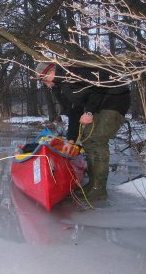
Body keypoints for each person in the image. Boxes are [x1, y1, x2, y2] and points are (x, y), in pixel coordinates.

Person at [35, 62, 131, 200]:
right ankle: (92, 184)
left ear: (51, 71)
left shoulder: (72, 73)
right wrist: (71, 140)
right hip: (97, 106)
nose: (45, 84)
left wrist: (89, 112)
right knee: (86, 138)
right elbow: (74, 112)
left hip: (114, 99)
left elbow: (98, 85)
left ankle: (99, 189)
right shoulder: (59, 88)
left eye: (44, 79)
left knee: (97, 139)